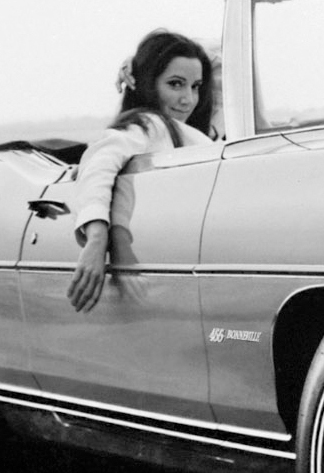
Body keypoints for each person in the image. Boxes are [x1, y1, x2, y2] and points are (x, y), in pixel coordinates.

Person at [68, 29, 221, 313]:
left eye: (195, 86)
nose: (188, 99)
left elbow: (226, 64)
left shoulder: (188, 130)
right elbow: (99, 165)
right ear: (149, 84)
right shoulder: (147, 125)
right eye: (175, 84)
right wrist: (97, 239)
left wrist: (141, 60)